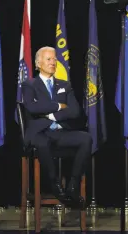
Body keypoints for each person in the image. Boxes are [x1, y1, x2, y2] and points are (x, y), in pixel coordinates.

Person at [21, 46, 92, 204]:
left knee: (86, 139)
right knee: (42, 142)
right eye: (48, 59)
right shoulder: (29, 85)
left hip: (60, 132)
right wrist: (59, 106)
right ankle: (55, 185)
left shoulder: (64, 85)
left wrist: (50, 114)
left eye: (54, 59)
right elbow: (32, 108)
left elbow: (75, 111)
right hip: (39, 133)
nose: (53, 62)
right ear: (38, 63)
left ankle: (73, 186)